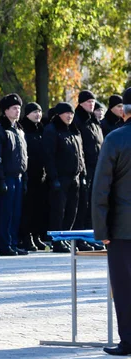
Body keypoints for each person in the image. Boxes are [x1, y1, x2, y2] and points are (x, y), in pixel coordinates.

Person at [92, 87, 131, 356]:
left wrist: (101, 230)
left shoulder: (116, 139)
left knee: (124, 286)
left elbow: (101, 188)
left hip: (121, 227)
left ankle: (129, 339)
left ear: (125, 110)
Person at [43, 102, 85, 253]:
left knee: (71, 211)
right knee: (58, 211)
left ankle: (65, 238)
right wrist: (53, 178)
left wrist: (83, 173)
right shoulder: (52, 130)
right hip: (60, 178)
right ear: (59, 114)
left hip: (75, 177)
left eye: (72, 114)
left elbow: (80, 154)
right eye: (67, 113)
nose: (70, 116)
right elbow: (49, 156)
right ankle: (57, 241)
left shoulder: (74, 130)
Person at [0, 93, 28, 256]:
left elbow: (23, 155)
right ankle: (5, 244)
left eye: (19, 108)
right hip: (6, 176)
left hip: (19, 176)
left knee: (16, 212)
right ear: (5, 111)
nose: (17, 111)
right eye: (14, 108)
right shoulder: (0, 130)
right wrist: (0, 179)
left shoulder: (19, 129)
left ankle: (13, 242)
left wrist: (25, 177)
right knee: (5, 212)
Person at [73, 90, 104, 251]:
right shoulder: (77, 120)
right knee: (82, 205)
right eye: (88, 102)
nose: (91, 104)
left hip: (97, 167)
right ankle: (80, 239)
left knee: (92, 204)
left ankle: (91, 237)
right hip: (85, 168)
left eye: (93, 102)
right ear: (81, 103)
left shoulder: (93, 121)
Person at [19, 102, 49, 251]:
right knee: (28, 208)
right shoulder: (23, 128)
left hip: (41, 175)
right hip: (28, 174)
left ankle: (36, 235)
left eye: (40, 111)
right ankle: (27, 236)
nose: (38, 114)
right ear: (27, 114)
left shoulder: (42, 129)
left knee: (39, 207)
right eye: (34, 112)